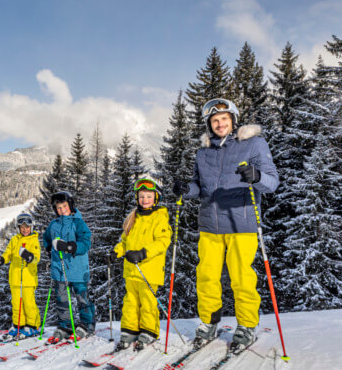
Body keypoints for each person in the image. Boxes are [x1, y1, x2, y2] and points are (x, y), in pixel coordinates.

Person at [173, 98, 279, 353]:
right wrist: (187, 189)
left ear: (233, 120)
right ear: (209, 124)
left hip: (241, 221)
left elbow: (272, 182)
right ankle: (209, 322)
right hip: (210, 223)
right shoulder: (204, 152)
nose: (220, 124)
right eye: (215, 120)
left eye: (224, 119)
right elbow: (201, 187)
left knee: (241, 278)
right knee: (206, 277)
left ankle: (246, 326)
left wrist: (257, 176)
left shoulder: (253, 143)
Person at [113, 178, 172, 351]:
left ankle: (149, 330)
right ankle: (130, 330)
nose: (145, 200)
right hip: (131, 270)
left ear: (156, 198)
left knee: (147, 302)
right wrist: (115, 252)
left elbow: (162, 242)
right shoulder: (133, 218)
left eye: (148, 196)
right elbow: (124, 241)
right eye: (141, 196)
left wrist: (143, 253)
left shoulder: (160, 218)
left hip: (149, 269)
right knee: (130, 301)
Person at [42, 191, 95, 342]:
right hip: (59, 269)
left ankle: (87, 324)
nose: (62, 210)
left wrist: (70, 247)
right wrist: (49, 249)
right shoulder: (54, 224)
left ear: (70, 205)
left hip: (77, 268)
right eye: (58, 208)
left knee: (82, 297)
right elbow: (46, 238)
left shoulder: (78, 222)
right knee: (62, 299)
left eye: (64, 206)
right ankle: (65, 325)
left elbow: (86, 242)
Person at [0, 213, 42, 339]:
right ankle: (18, 325)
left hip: (28, 278)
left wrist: (29, 256)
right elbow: (8, 253)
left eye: (27, 227)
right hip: (15, 278)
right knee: (16, 303)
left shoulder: (34, 240)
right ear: (18, 228)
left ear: (31, 227)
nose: (25, 230)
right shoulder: (15, 240)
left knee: (29, 303)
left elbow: (36, 258)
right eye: (22, 227)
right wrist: (1, 260)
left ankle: (33, 326)